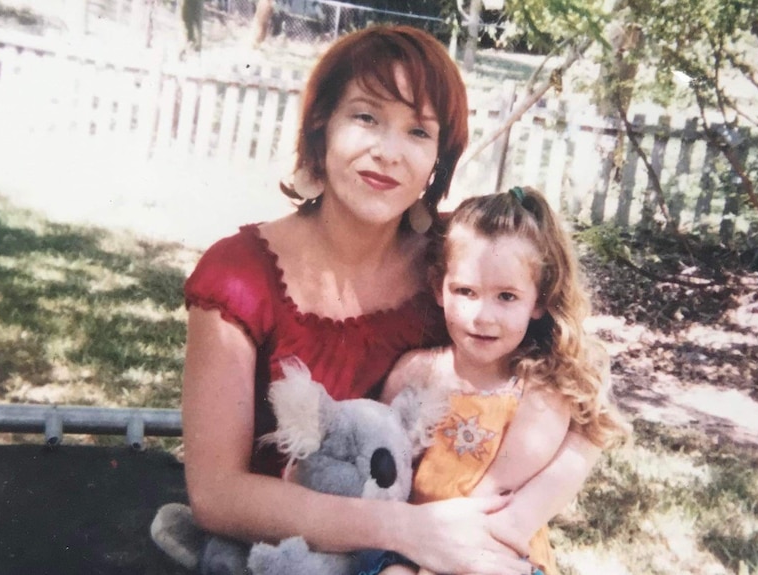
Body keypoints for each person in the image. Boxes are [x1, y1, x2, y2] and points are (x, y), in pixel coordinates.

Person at [157, 25, 603, 575]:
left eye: (418, 131)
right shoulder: (239, 277)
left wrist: (499, 524)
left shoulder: (461, 265)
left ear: (439, 157)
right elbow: (217, 495)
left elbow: (582, 411)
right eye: (366, 116)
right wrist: (410, 531)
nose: (388, 152)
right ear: (322, 124)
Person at [357, 187, 629, 575]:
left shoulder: (538, 392)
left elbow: (493, 501)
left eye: (506, 297)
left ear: (538, 302)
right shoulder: (414, 371)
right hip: (410, 540)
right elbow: (380, 464)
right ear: (439, 288)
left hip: (496, 549)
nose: (483, 316)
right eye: (465, 291)